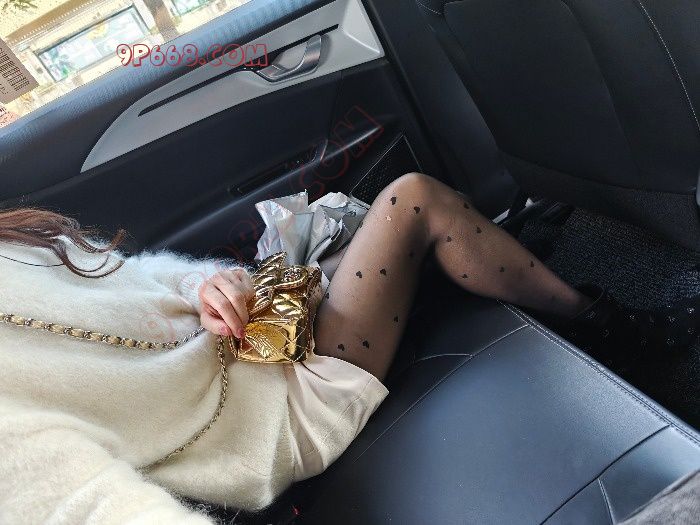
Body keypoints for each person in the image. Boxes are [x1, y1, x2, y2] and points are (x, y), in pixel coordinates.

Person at [0, 173, 613, 524]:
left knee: (366, 225)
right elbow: (88, 508)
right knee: (414, 200)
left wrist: (207, 284)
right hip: (279, 409)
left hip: (269, 330)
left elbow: (134, 275)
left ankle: (549, 284)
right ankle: (598, 320)